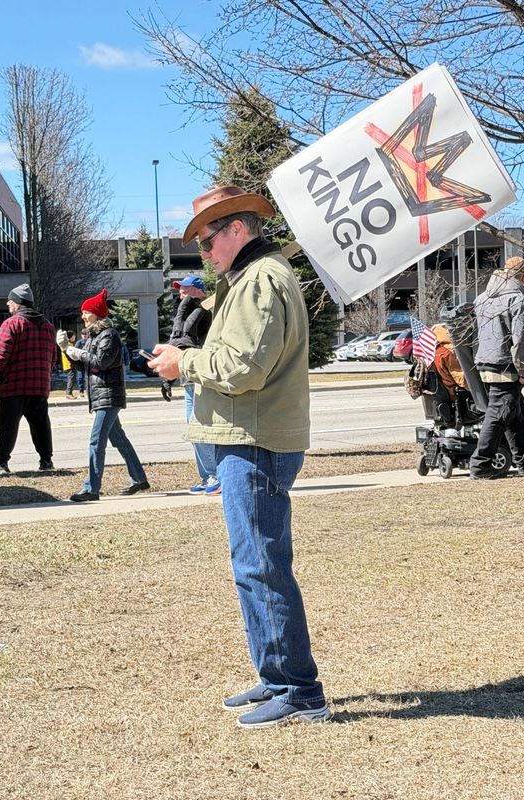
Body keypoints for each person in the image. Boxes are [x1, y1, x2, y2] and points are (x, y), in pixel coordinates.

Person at [149, 185, 329, 729]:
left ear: (237, 230)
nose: (204, 253)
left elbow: (242, 369)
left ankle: (300, 691)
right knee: (254, 565)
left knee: (262, 567)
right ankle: (279, 679)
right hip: (250, 437)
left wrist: (186, 363)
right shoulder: (253, 278)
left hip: (253, 440)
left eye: (207, 240)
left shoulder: (260, 280)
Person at [57, 288, 150, 502]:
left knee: (96, 441)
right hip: (101, 395)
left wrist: (77, 352)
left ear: (97, 313)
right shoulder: (95, 336)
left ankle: (92, 488)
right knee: (119, 440)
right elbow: (85, 367)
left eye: (86, 312)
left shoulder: (109, 335)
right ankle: (139, 479)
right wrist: (66, 350)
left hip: (109, 395)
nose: (82, 316)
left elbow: (101, 362)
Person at [469, 256, 524, 479]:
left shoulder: (482, 298)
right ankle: (480, 465)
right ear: (522, 275)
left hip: (485, 362)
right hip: (506, 365)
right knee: (498, 414)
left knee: (512, 415)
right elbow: (523, 340)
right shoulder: (519, 301)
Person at [0, 283, 56, 474]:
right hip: (39, 386)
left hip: (14, 386)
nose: (8, 304)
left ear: (18, 303)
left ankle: (1, 462)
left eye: (10, 301)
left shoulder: (12, 323)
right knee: (40, 424)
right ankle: (46, 461)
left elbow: (1, 353)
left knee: (7, 426)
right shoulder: (48, 326)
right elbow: (53, 357)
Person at [163, 274, 220, 495]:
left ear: (198, 290)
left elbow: (183, 336)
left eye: (185, 289)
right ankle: (207, 476)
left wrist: (183, 307)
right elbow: (174, 344)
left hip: (200, 376)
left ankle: (215, 475)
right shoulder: (187, 309)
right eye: (180, 290)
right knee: (192, 428)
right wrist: (168, 378)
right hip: (187, 378)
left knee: (199, 428)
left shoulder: (203, 310)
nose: (181, 293)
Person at [62, 330, 79, 398]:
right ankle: (68, 394)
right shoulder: (68, 344)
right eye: (73, 335)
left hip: (70, 364)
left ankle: (69, 393)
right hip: (70, 364)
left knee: (72, 378)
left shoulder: (69, 344)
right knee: (71, 378)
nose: (74, 336)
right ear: (70, 337)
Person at [75, 328, 88, 397]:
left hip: (88, 362)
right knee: (80, 378)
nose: (85, 336)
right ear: (81, 335)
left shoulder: (90, 341)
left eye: (86, 334)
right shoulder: (79, 342)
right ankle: (81, 391)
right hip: (80, 363)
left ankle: (88, 391)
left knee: (87, 378)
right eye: (83, 334)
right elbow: (75, 352)